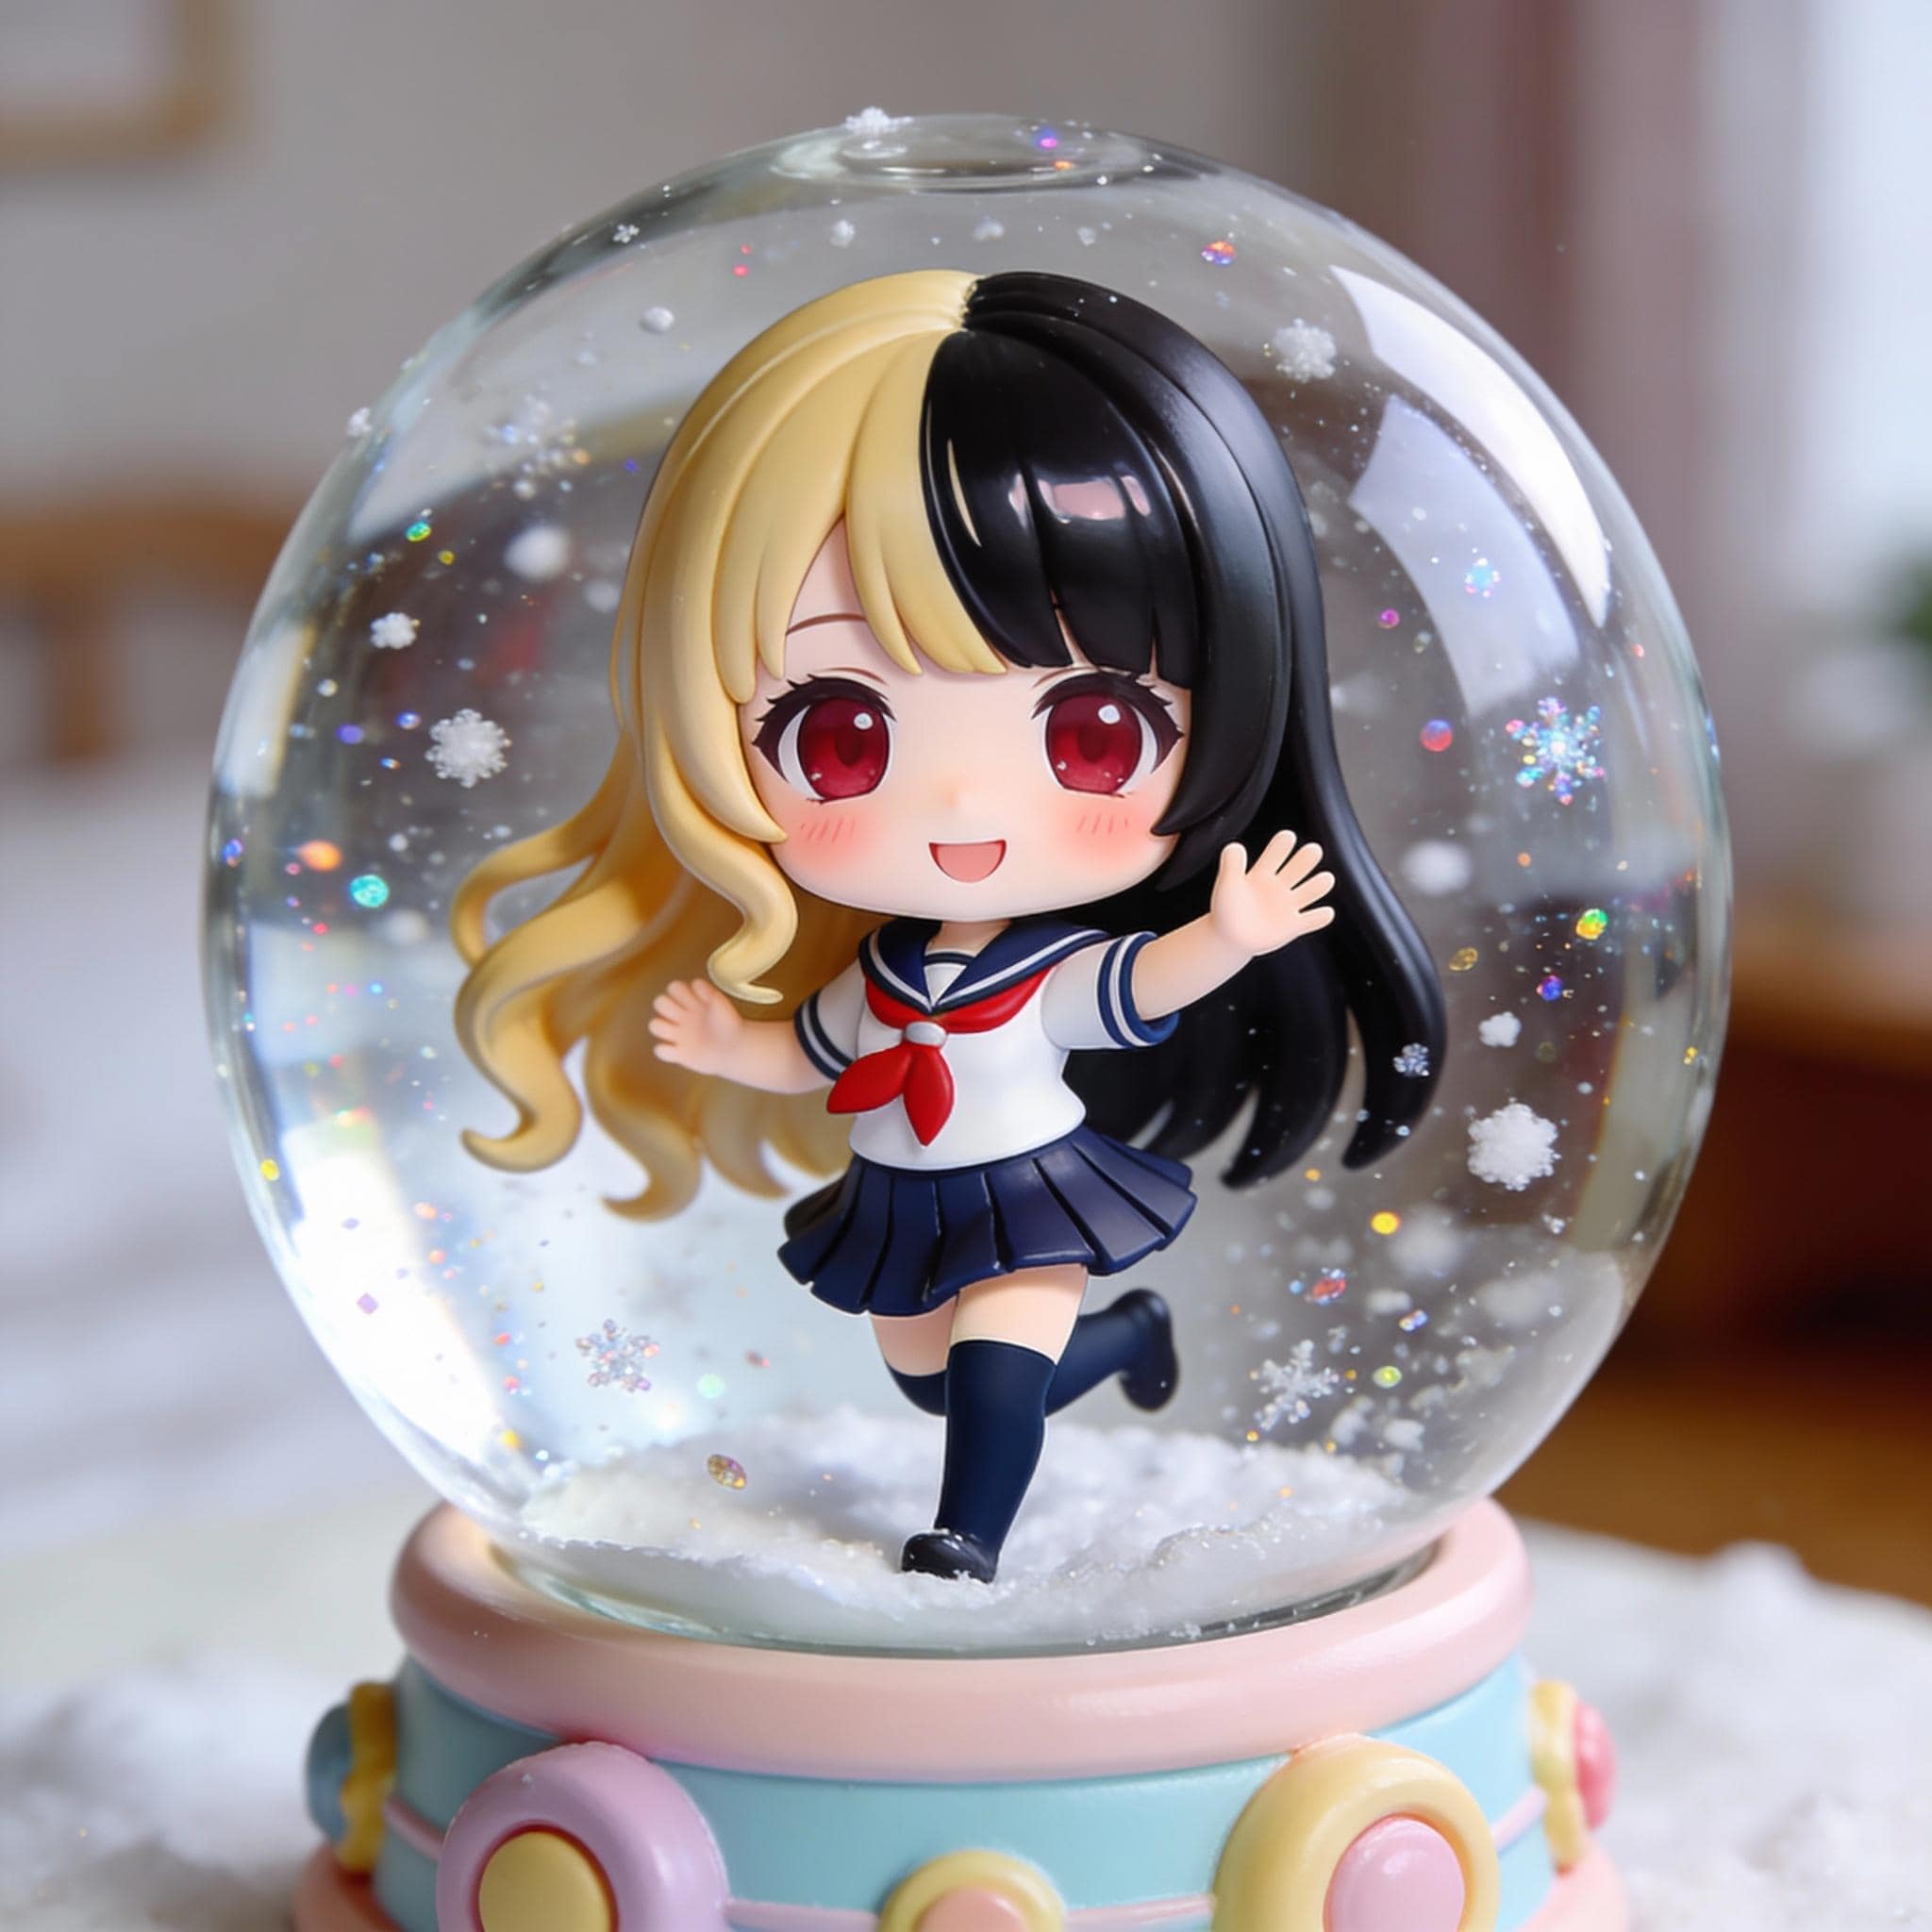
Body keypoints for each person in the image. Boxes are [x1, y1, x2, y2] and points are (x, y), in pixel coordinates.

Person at [453, 270, 1442, 1583]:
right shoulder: (883, 967)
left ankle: (965, 1540)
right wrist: (724, 1044)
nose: (965, 807)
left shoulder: (1046, 968)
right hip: (904, 1195)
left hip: (1033, 1188)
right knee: (928, 1378)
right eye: (843, 737)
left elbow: (1143, 983)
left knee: (989, 1380)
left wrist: (1237, 932)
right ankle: (1129, 1336)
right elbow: (814, 1050)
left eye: (1094, 733)